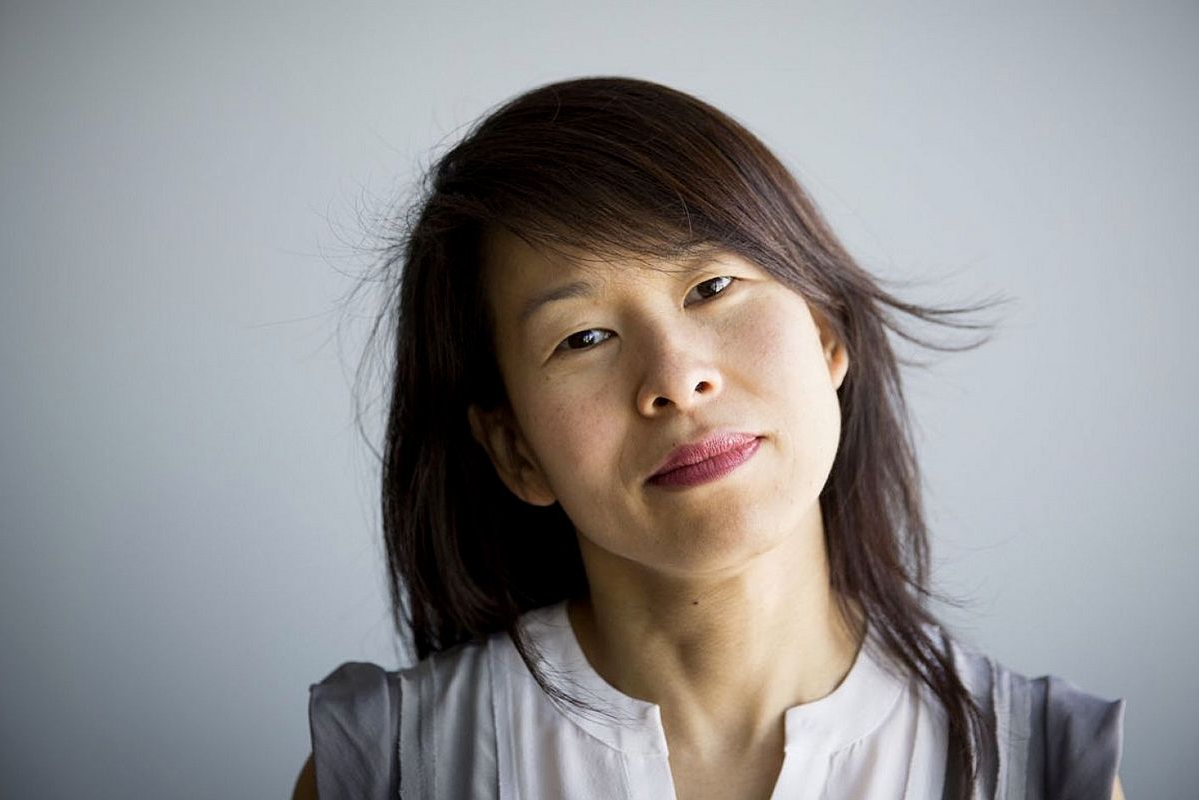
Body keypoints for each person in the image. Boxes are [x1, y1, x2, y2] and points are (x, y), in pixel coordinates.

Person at [293, 76, 1126, 799]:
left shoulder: (1042, 769)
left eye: (713, 286)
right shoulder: (386, 770)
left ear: (825, 334)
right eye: (584, 338)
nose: (675, 377)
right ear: (516, 450)